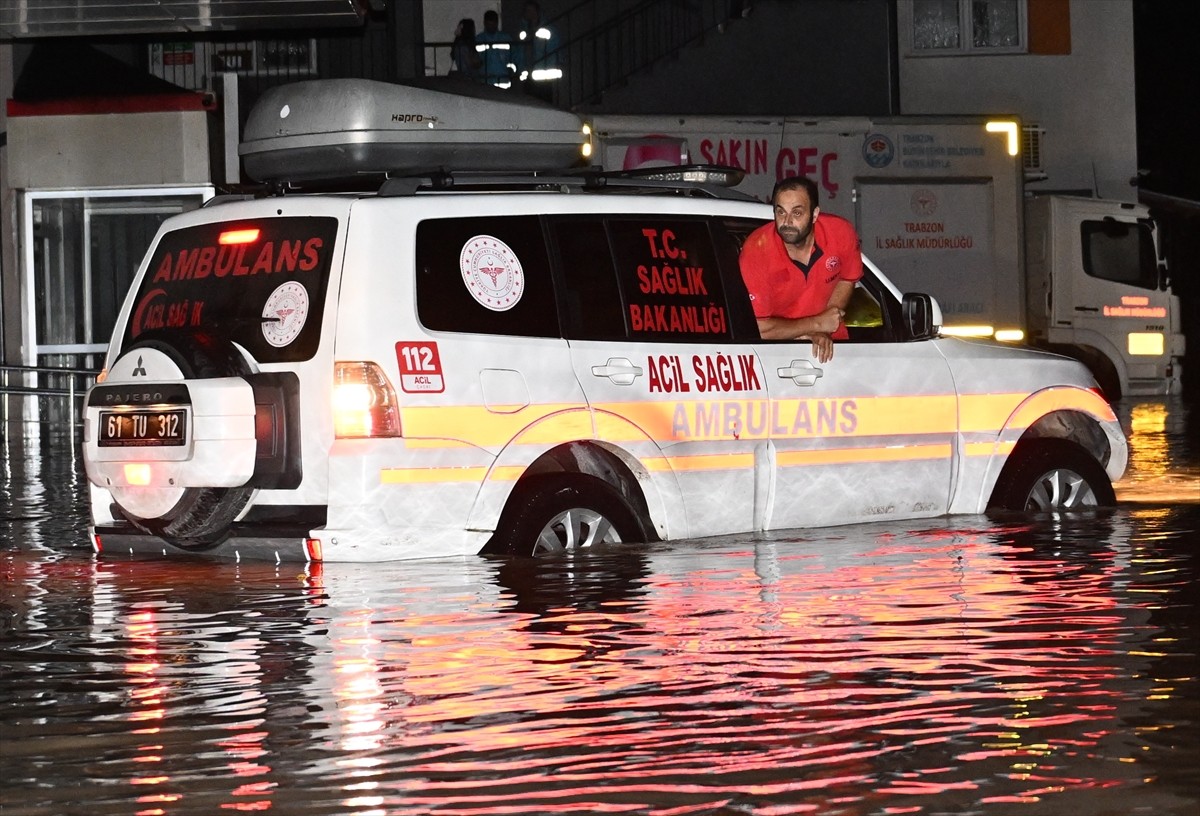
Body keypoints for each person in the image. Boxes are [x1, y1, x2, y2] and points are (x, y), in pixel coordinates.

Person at [738, 176, 862, 363]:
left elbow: (848, 278)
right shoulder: (757, 250)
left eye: (797, 213)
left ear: (814, 214)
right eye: (780, 212)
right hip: (775, 356)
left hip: (833, 352)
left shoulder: (840, 232)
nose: (786, 222)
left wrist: (822, 329)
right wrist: (816, 325)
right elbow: (758, 328)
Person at [517, 1, 561, 102]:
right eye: (527, 11)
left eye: (532, 10)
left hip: (543, 75)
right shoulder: (523, 30)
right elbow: (519, 51)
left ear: (538, 12)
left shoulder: (548, 29)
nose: (530, 13)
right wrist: (521, 68)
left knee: (545, 104)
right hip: (528, 74)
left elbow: (554, 49)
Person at [476, 9, 515, 88]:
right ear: (484, 23)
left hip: (503, 81)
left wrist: (513, 73)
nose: (491, 27)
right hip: (485, 82)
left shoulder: (506, 38)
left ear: (497, 23)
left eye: (492, 24)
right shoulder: (478, 40)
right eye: (489, 24)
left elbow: (515, 57)